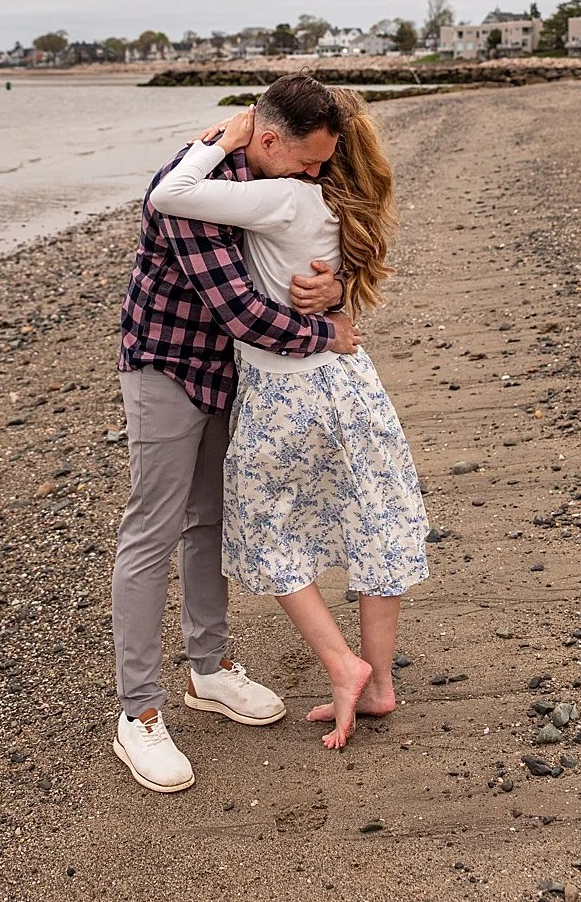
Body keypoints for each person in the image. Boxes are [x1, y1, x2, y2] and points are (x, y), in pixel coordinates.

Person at [150, 88, 429, 750]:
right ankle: (381, 683)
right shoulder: (342, 204)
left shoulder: (282, 196)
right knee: (376, 518)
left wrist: (222, 138)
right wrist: (337, 291)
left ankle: (342, 662)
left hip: (286, 391)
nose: (310, 167)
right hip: (352, 383)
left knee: (263, 526)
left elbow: (170, 194)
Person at [112, 73, 361, 793]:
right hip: (165, 364)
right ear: (270, 140)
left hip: (231, 373)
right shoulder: (196, 185)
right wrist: (331, 334)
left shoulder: (280, 177)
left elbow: (312, 248)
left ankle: (210, 668)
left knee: (211, 519)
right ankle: (138, 712)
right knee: (152, 529)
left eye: (323, 165)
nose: (315, 178)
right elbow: (243, 313)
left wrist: (334, 288)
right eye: (308, 163)